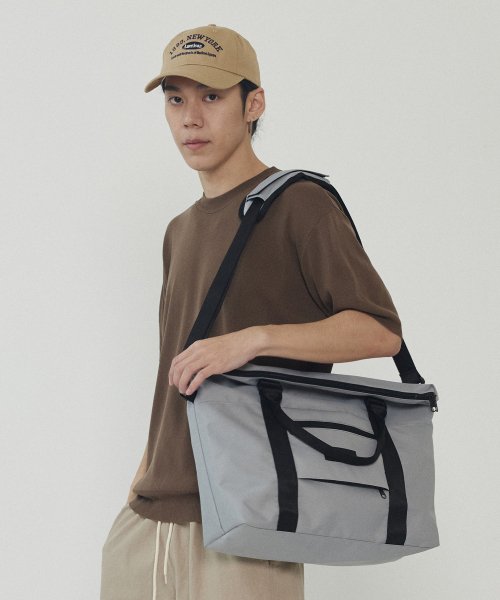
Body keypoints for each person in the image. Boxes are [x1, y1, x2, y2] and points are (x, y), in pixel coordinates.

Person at [100, 23, 403, 600]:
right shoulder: (179, 231)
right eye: (175, 100)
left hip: (247, 518)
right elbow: (174, 373)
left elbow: (379, 330)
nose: (191, 118)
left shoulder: (300, 205)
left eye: (212, 97)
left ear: (253, 103)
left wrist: (253, 340)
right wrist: (140, 481)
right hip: (148, 516)